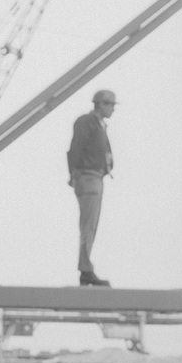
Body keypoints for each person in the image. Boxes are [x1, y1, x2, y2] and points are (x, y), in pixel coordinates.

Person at [67, 89, 117, 286]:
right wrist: (75, 175)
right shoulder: (87, 122)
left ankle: (86, 268)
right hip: (88, 179)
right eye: (111, 104)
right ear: (101, 104)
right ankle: (86, 270)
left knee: (90, 225)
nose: (113, 109)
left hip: (94, 178)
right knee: (88, 226)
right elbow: (75, 148)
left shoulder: (98, 125)